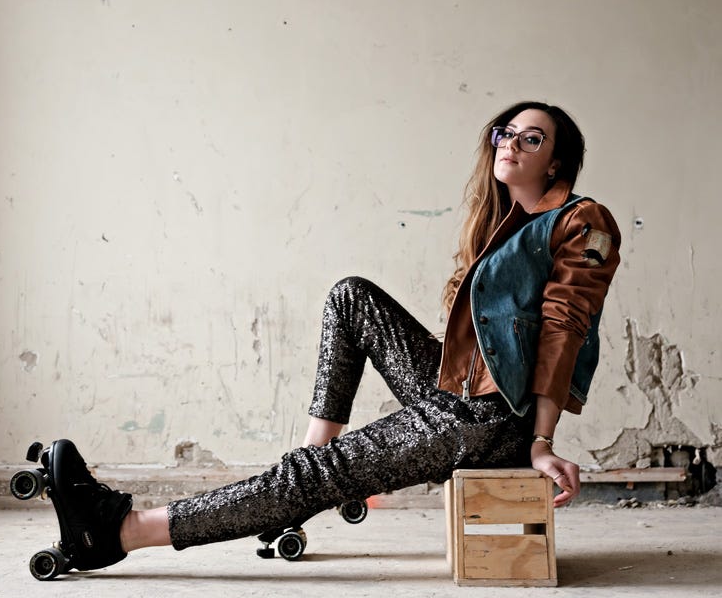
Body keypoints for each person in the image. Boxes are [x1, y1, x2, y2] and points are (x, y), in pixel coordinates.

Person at [39, 101, 621, 572]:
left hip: (493, 422)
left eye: (531, 139)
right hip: (460, 396)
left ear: (556, 162)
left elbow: (562, 331)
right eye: (505, 133)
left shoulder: (581, 220)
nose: (511, 145)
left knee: (309, 477)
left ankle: (118, 534)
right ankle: (306, 478)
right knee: (351, 297)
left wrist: (541, 442)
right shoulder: (506, 225)